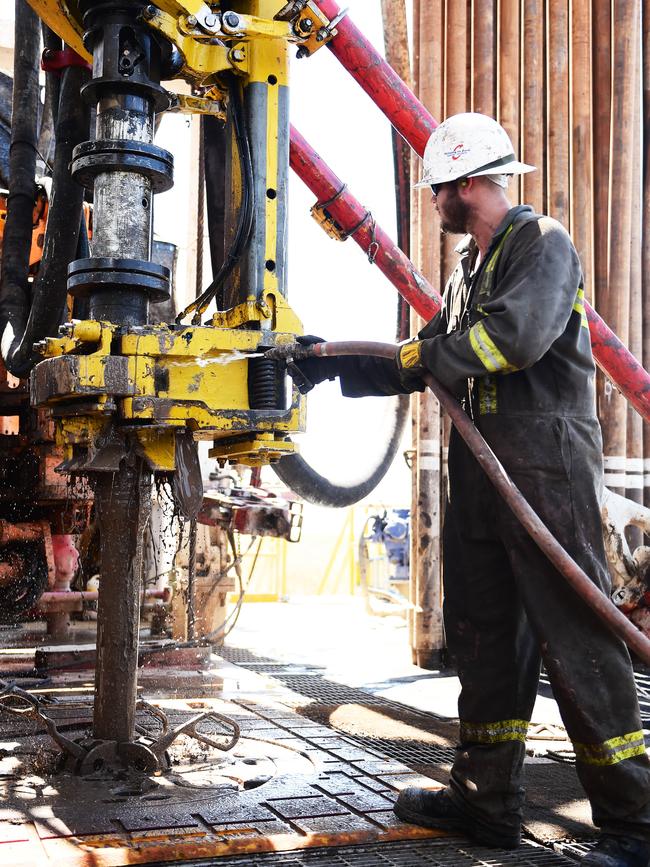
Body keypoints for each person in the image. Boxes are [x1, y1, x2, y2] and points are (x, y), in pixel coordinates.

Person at [290, 113, 650, 866]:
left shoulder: (542, 244)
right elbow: (425, 361)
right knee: (484, 638)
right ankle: (485, 800)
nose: (433, 202)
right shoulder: (466, 271)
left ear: (467, 183)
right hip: (483, 474)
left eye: (438, 190)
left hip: (544, 468)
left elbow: (506, 343)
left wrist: (430, 353)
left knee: (578, 636)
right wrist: (325, 361)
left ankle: (633, 818)